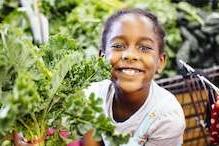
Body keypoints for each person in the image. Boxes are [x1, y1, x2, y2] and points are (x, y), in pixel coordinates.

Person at [83, 8, 186, 146]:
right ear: (101, 58)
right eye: (118, 46)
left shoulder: (167, 118)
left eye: (144, 48)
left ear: (160, 62)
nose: (130, 55)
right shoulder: (92, 95)